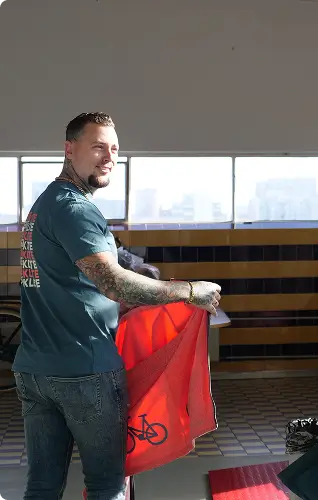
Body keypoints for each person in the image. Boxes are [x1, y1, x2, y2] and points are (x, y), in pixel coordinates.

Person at [13, 112, 222, 500]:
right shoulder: (75, 209)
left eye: (114, 149)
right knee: (108, 485)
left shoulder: (45, 204)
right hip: (85, 371)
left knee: (42, 485)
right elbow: (113, 282)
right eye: (98, 147)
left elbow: (75, 282)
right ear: (69, 149)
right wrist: (191, 291)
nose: (109, 157)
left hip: (35, 369)